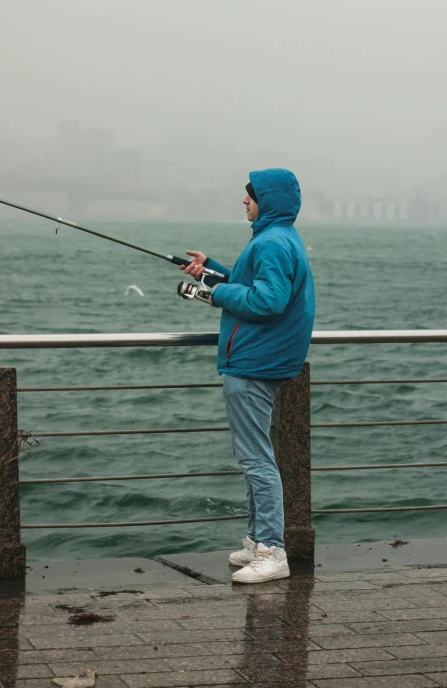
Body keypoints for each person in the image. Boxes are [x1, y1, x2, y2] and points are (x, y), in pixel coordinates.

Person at [180, 168, 315, 583]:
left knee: (256, 459)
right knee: (254, 456)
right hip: (262, 359)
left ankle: (273, 552)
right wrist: (210, 271)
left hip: (255, 362)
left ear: (267, 200)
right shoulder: (277, 237)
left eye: (250, 196)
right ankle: (258, 541)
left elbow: (269, 300)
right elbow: (252, 283)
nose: (244, 201)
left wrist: (215, 293)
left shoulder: (272, 241)